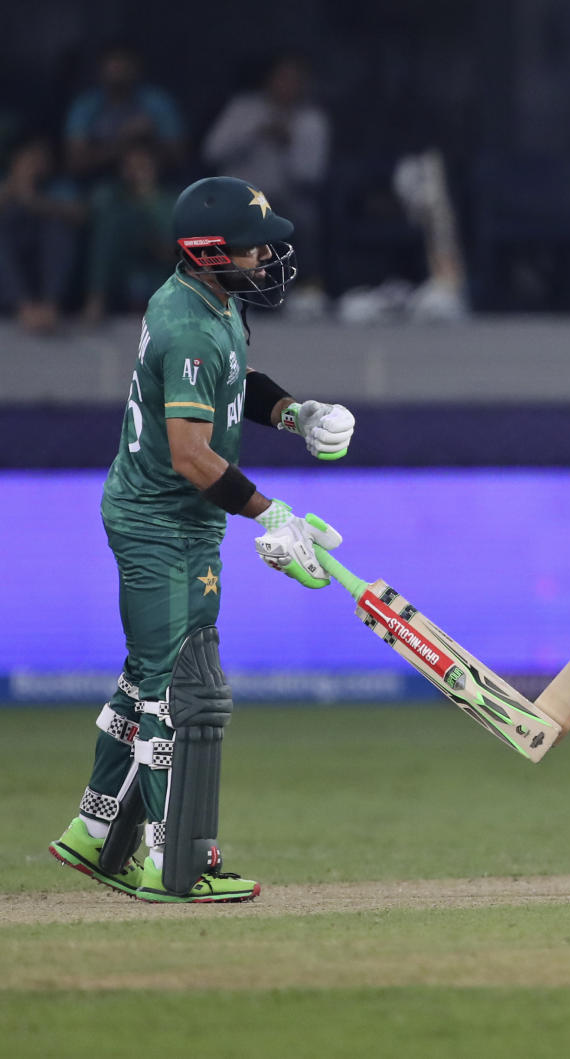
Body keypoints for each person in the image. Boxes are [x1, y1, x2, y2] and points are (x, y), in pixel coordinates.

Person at [49, 175, 356, 903]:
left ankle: (93, 830)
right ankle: (172, 863)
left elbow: (231, 383)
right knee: (173, 692)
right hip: (159, 520)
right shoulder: (186, 322)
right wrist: (270, 512)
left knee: (148, 674)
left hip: (181, 519)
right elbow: (190, 455)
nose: (267, 256)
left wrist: (294, 414)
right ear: (209, 251)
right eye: (253, 247)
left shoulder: (209, 302)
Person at [203, 54, 331, 316]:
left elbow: (311, 175)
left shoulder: (311, 121)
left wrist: (288, 145)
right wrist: (255, 133)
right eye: (282, 79)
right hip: (237, 198)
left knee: (304, 220)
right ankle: (221, 294)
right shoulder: (243, 109)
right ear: (269, 81)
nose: (288, 86)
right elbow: (212, 151)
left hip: (285, 200)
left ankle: (304, 295)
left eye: (295, 81)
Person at [82, 142, 178, 321]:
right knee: (113, 222)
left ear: (156, 166)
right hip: (120, 272)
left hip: (159, 271)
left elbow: (176, 249)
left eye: (143, 165)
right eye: (131, 166)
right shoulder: (113, 198)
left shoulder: (171, 201)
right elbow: (90, 211)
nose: (137, 171)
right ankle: (96, 298)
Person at [64, 44, 186, 184]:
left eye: (125, 63)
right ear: (101, 69)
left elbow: (178, 156)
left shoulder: (157, 102)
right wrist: (123, 140)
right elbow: (75, 163)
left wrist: (150, 138)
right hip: (97, 183)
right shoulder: (86, 105)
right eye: (113, 63)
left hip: (154, 184)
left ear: (137, 68)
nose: (119, 69)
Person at [0, 134, 84, 331]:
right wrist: (13, 189)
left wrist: (34, 201)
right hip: (12, 272)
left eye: (41, 159)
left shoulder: (59, 186)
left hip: (45, 269)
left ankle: (50, 307)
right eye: (29, 159)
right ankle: (24, 308)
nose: (36, 165)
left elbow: (80, 215)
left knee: (59, 229)